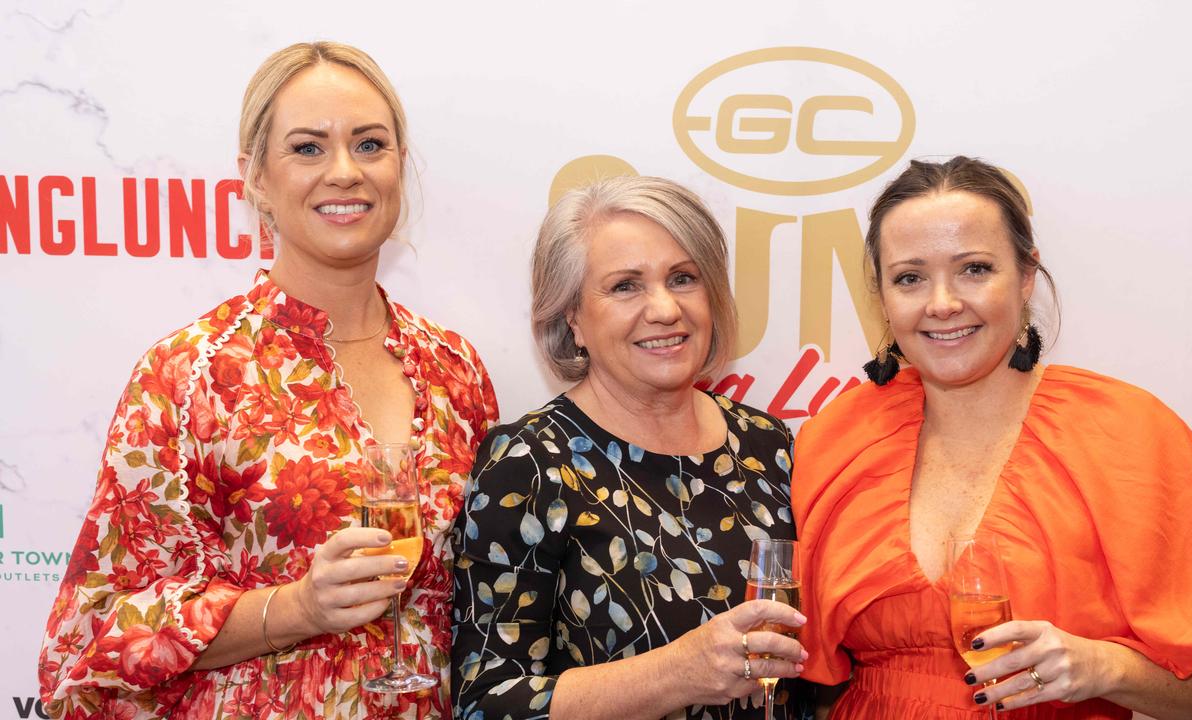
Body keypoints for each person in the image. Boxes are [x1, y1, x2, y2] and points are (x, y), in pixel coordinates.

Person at [38, 42, 498, 719]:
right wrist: (296, 608)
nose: (345, 171)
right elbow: (91, 635)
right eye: (308, 149)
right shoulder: (188, 374)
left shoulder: (455, 370)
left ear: (401, 164)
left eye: (370, 144)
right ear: (254, 178)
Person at [791, 155, 1192, 720]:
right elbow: (822, 683)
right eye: (910, 277)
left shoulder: (1126, 434)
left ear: (1026, 277)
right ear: (881, 295)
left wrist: (1104, 668)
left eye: (974, 268)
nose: (943, 302)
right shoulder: (838, 437)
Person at [451, 175, 810, 719]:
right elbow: (487, 704)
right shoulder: (529, 464)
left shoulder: (770, 446)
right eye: (625, 286)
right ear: (572, 316)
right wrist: (679, 671)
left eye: (683, 278)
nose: (665, 309)